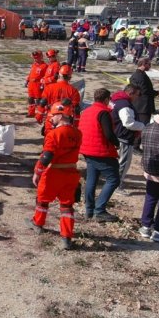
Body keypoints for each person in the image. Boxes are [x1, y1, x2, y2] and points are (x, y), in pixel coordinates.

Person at [27, 100, 82, 250]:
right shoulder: (77, 133)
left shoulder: (54, 134)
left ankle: (37, 224)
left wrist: (37, 172)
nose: (51, 117)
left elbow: (47, 156)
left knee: (42, 199)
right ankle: (66, 237)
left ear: (60, 115)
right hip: (71, 173)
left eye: (53, 115)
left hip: (54, 172)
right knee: (67, 205)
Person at [79, 88, 121, 222]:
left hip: (87, 149)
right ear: (106, 100)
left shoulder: (86, 111)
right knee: (114, 179)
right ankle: (100, 210)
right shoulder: (103, 113)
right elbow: (108, 134)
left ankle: (89, 210)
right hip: (101, 151)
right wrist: (117, 143)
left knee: (92, 179)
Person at [138, 101, 159, 242]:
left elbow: (140, 145)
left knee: (150, 197)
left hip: (150, 170)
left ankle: (145, 226)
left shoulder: (148, 127)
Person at [110, 84, 145, 194]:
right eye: (137, 95)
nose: (138, 97)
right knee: (123, 163)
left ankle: (113, 182)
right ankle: (117, 185)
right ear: (130, 93)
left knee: (116, 162)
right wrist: (143, 126)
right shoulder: (125, 105)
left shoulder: (116, 100)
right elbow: (128, 123)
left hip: (116, 134)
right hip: (124, 137)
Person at [39, 65, 81, 135]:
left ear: (59, 75)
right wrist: (76, 123)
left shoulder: (49, 88)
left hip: (51, 118)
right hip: (66, 120)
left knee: (49, 140)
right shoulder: (74, 91)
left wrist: (39, 116)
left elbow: (42, 103)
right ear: (70, 77)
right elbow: (76, 109)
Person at [129, 57, 159, 152]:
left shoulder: (139, 74)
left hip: (140, 104)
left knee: (139, 125)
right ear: (143, 64)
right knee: (142, 126)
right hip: (142, 106)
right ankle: (135, 146)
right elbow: (145, 90)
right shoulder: (139, 76)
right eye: (149, 64)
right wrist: (156, 93)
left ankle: (134, 144)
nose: (150, 66)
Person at [25, 50, 47, 118]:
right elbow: (31, 73)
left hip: (38, 85)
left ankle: (39, 113)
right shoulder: (34, 64)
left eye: (37, 58)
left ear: (41, 57)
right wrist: (27, 80)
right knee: (30, 99)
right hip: (31, 84)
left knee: (38, 100)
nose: (35, 59)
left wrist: (42, 84)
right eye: (34, 58)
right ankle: (31, 112)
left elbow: (46, 76)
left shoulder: (45, 66)